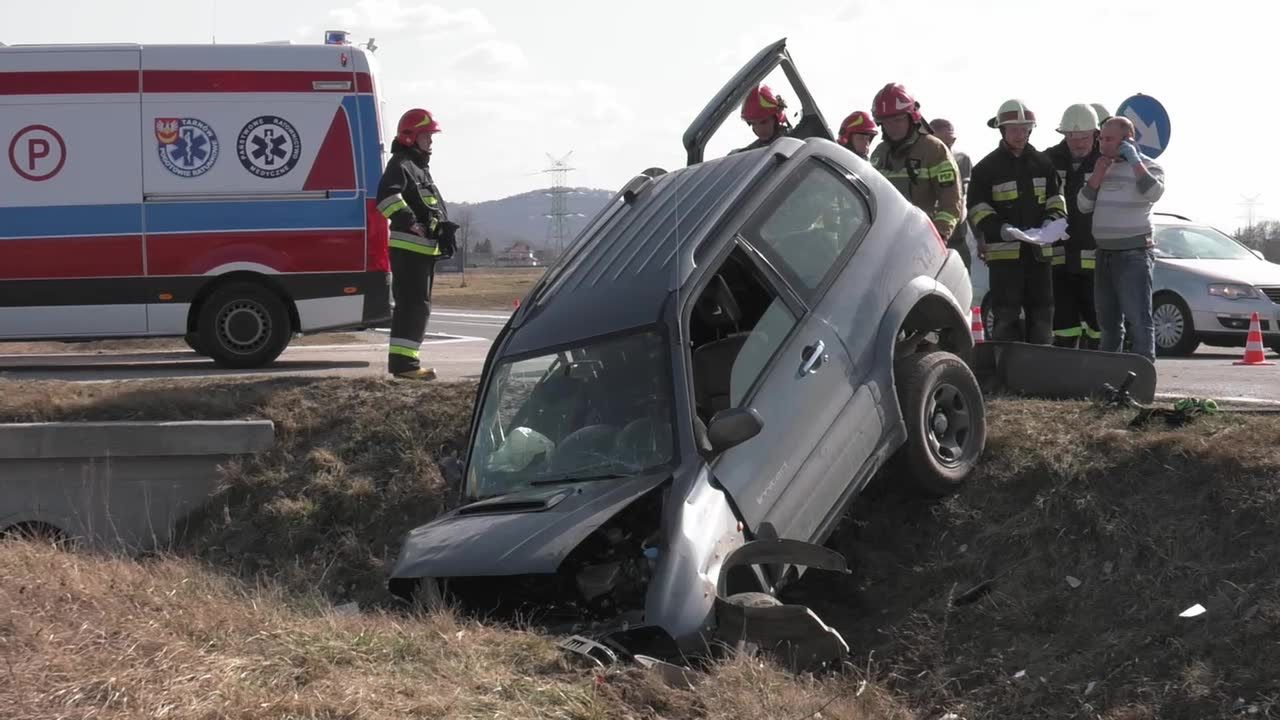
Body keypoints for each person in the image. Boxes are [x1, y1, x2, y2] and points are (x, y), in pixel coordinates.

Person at [967, 98, 1068, 344]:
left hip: (1038, 255)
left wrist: (1051, 222)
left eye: (1024, 129)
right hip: (1004, 258)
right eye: (1014, 129)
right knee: (1006, 316)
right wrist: (1000, 229)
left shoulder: (1044, 164)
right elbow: (977, 209)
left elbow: (1057, 200)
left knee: (1043, 314)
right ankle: (1006, 372)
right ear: (1002, 130)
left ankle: (1039, 371)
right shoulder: (986, 169)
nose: (1020, 134)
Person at [375, 107, 459, 380]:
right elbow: (386, 198)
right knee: (413, 306)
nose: (431, 142)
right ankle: (405, 366)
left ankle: (406, 363)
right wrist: (410, 222)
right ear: (410, 137)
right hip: (410, 250)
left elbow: (428, 205)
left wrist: (441, 229)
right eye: (427, 136)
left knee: (416, 306)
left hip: (421, 252)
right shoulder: (401, 164)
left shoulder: (418, 167)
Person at [1078, 116, 1166, 363]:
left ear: (1127, 140)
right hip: (1104, 254)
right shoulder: (1102, 167)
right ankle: (1109, 380)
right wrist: (1097, 174)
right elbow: (1083, 205)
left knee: (1139, 321)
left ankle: (1142, 380)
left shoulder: (1149, 166)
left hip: (1134, 254)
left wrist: (1134, 160)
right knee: (1109, 324)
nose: (1102, 144)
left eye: (1109, 139)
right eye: (1101, 139)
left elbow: (1154, 192)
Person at [867, 83, 964, 242]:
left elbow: (951, 202)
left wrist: (938, 236)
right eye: (886, 122)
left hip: (921, 242)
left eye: (898, 120)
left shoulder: (934, 150)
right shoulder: (879, 153)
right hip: (883, 241)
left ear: (912, 118)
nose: (892, 127)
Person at [1044, 104, 1103, 349]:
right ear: (1064, 135)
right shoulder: (1048, 160)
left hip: (1096, 259)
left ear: (1095, 135)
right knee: (1064, 322)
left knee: (1098, 324)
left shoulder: (1107, 160)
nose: (1078, 144)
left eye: (1083, 138)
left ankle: (1098, 376)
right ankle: (1067, 373)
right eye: (1071, 137)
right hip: (1060, 258)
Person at [930, 117, 973, 269]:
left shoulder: (962, 160)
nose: (948, 147)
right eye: (943, 142)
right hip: (930, 239)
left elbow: (968, 199)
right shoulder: (922, 161)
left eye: (951, 142)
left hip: (958, 238)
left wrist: (980, 238)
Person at [731, 85, 790, 154]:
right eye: (753, 124)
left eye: (764, 122)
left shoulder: (795, 139)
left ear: (776, 118)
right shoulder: (751, 152)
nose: (759, 129)